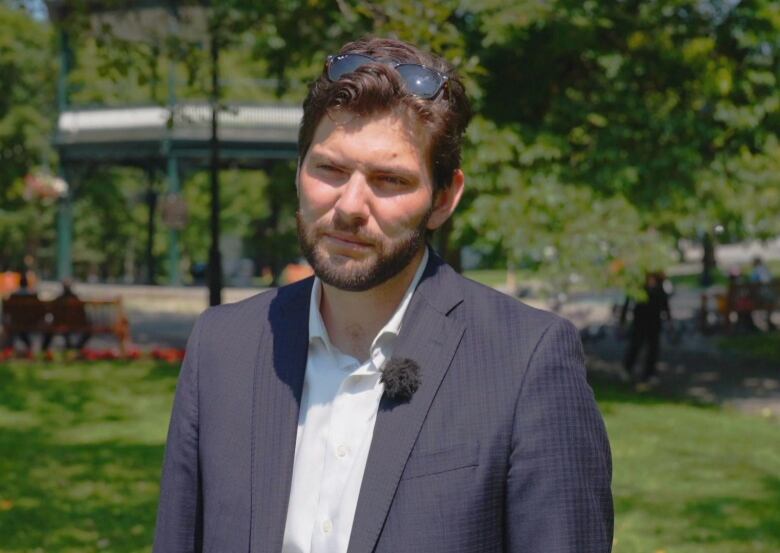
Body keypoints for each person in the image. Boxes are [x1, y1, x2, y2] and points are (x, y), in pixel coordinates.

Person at [153, 37, 613, 553]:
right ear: (299, 171)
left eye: (389, 179)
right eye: (329, 169)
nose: (350, 205)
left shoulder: (526, 362)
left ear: (443, 199)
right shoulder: (222, 348)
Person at [621, 271, 672, 383]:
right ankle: (627, 368)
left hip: (654, 322)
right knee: (636, 345)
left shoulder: (659, 286)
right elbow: (628, 301)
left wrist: (669, 320)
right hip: (640, 322)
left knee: (653, 348)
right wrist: (623, 319)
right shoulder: (639, 285)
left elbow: (665, 304)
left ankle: (649, 373)